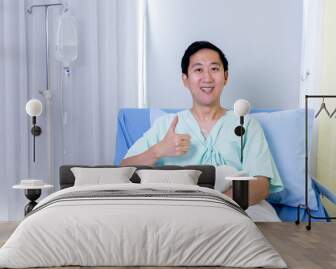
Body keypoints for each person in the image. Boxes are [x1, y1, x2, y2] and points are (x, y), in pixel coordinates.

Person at [120, 41, 283, 208]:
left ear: (225, 77)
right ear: (185, 79)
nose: (207, 78)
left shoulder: (247, 124)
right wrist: (158, 151)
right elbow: (124, 169)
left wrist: (216, 204)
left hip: (236, 207)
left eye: (214, 69)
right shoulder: (166, 125)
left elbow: (261, 185)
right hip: (180, 208)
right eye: (198, 69)